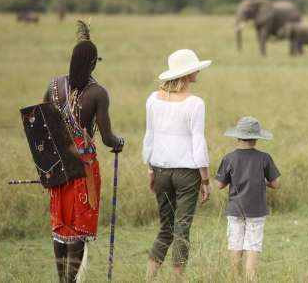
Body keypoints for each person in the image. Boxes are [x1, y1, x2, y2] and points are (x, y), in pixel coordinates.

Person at [43, 21, 124, 283]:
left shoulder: (53, 87)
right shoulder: (98, 93)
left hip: (57, 167)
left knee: (61, 226)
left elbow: (42, 127)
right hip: (84, 169)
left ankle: (62, 280)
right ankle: (70, 281)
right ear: (93, 64)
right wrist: (119, 142)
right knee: (79, 228)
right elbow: (108, 137)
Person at [143, 49, 212, 281]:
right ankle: (176, 279)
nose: (198, 71)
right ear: (187, 73)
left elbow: (149, 136)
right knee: (182, 229)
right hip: (187, 173)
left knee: (165, 228)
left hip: (160, 170)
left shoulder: (153, 99)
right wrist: (205, 178)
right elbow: (198, 142)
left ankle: (149, 278)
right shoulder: (195, 103)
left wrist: (150, 169)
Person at [215, 116, 281, 279]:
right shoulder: (264, 158)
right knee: (253, 246)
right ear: (256, 139)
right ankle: (251, 279)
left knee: (235, 244)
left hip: (235, 209)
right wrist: (262, 181)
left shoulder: (229, 158)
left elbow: (219, 185)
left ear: (237, 136)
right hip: (256, 210)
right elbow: (276, 183)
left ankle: (235, 278)